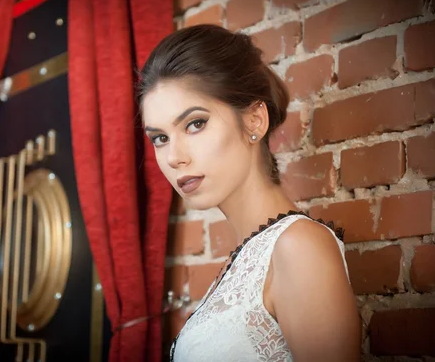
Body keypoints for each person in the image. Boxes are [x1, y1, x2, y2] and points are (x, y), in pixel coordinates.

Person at [137, 24, 361, 362]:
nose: (173, 157)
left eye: (195, 123)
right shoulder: (244, 259)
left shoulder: (298, 247)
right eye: (160, 138)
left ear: (255, 120)